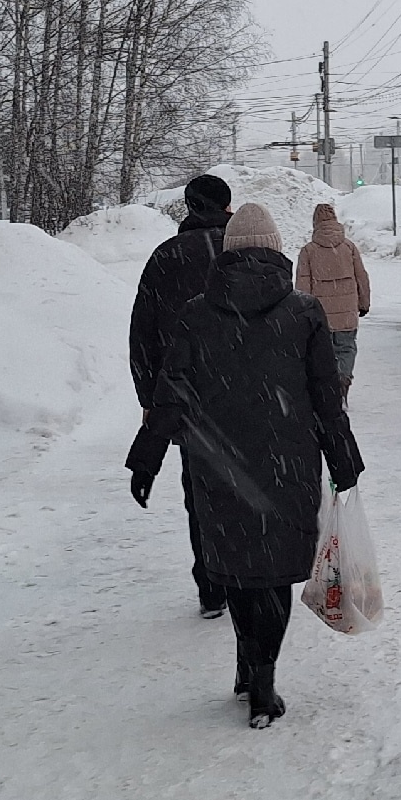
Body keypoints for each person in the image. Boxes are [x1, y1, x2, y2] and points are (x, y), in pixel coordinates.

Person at [128, 204, 365, 728]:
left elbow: (171, 394)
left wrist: (146, 458)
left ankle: (246, 660)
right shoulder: (304, 312)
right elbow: (326, 398)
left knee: (237, 569)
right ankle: (263, 679)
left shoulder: (194, 313)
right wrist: (343, 461)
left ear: (228, 255)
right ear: (277, 250)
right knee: (275, 574)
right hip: (287, 462)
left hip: (218, 464)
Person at [128, 172, 233, 617]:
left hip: (187, 397)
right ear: (227, 205)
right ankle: (248, 575)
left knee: (201, 492)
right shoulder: (246, 252)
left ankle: (211, 584)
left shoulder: (165, 258)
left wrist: (152, 400)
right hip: (252, 392)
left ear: (189, 207)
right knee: (251, 485)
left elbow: (143, 333)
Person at [293, 202, 371, 394]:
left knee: (322, 353)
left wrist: (302, 312)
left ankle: (328, 389)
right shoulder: (349, 248)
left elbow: (303, 285)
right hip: (347, 313)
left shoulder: (308, 251)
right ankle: (343, 380)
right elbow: (362, 277)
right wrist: (363, 303)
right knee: (346, 348)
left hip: (321, 315)